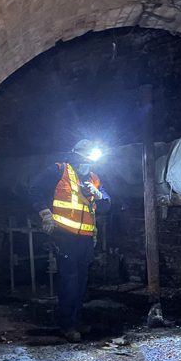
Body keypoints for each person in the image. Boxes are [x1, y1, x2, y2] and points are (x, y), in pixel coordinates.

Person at [30, 139, 110, 341]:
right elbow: (33, 189)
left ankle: (77, 320)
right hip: (65, 236)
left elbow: (108, 204)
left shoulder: (94, 179)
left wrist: (99, 195)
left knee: (81, 282)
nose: (87, 162)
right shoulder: (60, 171)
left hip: (85, 239)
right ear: (76, 155)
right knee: (70, 281)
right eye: (84, 158)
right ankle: (67, 325)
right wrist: (45, 214)